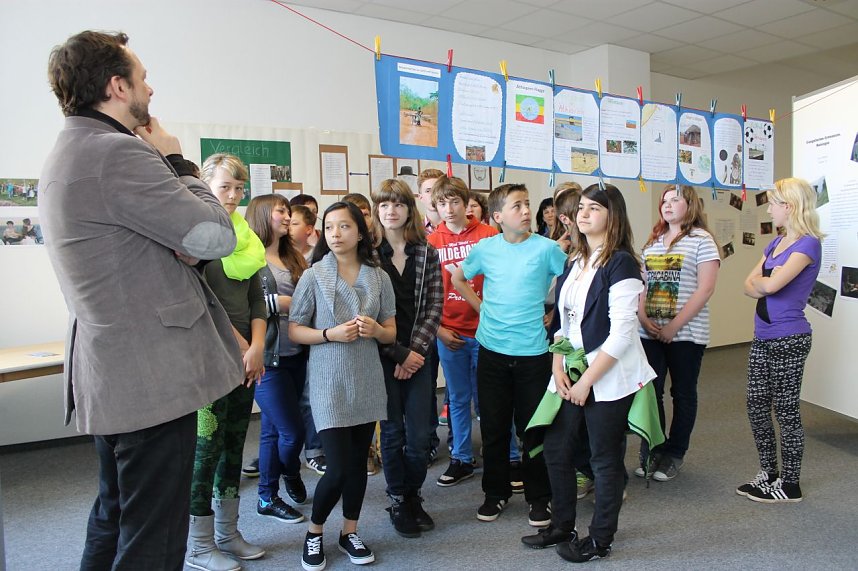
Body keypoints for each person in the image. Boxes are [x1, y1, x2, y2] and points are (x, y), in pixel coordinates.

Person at [40, 30, 242, 570]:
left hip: (113, 371)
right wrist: (177, 160)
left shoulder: (70, 149)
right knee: (154, 537)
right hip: (150, 378)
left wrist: (186, 243)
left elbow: (180, 247)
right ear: (117, 86)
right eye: (143, 77)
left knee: (114, 518)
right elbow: (215, 236)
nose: (150, 88)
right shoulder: (118, 152)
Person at [522, 183, 656, 563]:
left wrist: (586, 382)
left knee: (604, 459)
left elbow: (622, 334)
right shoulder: (576, 260)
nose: (583, 213)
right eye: (581, 207)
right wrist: (557, 364)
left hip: (609, 375)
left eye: (594, 208)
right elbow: (563, 323)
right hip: (572, 368)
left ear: (613, 216)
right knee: (556, 449)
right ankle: (563, 525)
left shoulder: (622, 263)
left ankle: (600, 539)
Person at [449, 183, 567, 526]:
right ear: (498, 216)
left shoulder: (546, 248)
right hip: (492, 353)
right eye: (518, 206)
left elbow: (572, 284)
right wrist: (482, 308)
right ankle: (495, 493)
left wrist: (554, 314)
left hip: (533, 353)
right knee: (494, 429)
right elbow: (459, 279)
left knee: (533, 429)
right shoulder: (486, 248)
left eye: (527, 204)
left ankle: (539, 498)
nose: (527, 211)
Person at [288, 201, 397, 570]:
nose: (336, 234)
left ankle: (349, 531)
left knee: (357, 465)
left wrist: (377, 330)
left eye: (345, 226)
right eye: (330, 226)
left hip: (366, 378)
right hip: (328, 381)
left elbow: (391, 331)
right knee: (336, 468)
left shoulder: (379, 277)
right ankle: (314, 532)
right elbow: (295, 329)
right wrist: (328, 334)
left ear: (360, 232)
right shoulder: (313, 275)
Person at [187, 153, 268, 571]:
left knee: (234, 447)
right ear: (205, 186)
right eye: (225, 187)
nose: (234, 196)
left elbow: (257, 299)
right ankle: (199, 546)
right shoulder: (197, 238)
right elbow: (204, 303)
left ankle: (227, 533)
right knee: (206, 451)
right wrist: (243, 348)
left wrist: (257, 347)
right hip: (210, 363)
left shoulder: (245, 237)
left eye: (239, 188)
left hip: (245, 360)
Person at [739, 177, 823, 503]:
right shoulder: (775, 244)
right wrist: (766, 281)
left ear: (788, 206)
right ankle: (769, 473)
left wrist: (765, 282)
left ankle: (790, 484)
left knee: (786, 410)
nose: (769, 210)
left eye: (773, 204)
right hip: (763, 337)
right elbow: (748, 284)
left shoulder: (808, 245)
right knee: (756, 405)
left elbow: (771, 286)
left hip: (789, 338)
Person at [371, 179, 443, 538]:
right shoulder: (368, 255)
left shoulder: (426, 252)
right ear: (376, 210)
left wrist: (413, 353)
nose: (391, 211)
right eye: (384, 205)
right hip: (381, 355)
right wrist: (397, 353)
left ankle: (413, 495)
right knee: (393, 433)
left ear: (409, 210)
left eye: (398, 204)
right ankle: (399, 498)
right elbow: (366, 311)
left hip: (418, 355)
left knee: (420, 437)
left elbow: (434, 306)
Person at [635, 184, 720, 482]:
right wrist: (643, 317)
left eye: (675, 200)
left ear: (690, 205)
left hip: (686, 334)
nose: (668, 205)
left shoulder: (702, 240)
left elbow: (705, 289)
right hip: (649, 332)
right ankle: (654, 449)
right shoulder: (653, 241)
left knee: (682, 393)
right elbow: (641, 285)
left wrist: (673, 326)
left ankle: (674, 453)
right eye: (664, 201)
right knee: (651, 392)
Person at [427, 176, 498, 488]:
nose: (449, 209)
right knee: (457, 398)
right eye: (442, 203)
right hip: (451, 333)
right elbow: (427, 294)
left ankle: (505, 456)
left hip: (487, 332)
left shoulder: (488, 235)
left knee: (492, 398)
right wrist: (439, 329)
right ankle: (461, 458)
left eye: (455, 201)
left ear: (466, 203)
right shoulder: (432, 242)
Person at [246, 194, 310, 525]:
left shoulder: (293, 255)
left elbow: (308, 298)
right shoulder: (248, 256)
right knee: (292, 433)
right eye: (281, 211)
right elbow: (241, 304)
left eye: (288, 211)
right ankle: (291, 472)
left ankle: (266, 497)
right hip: (268, 359)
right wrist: (279, 303)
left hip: (296, 354)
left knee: (272, 431)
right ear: (262, 214)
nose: (287, 216)